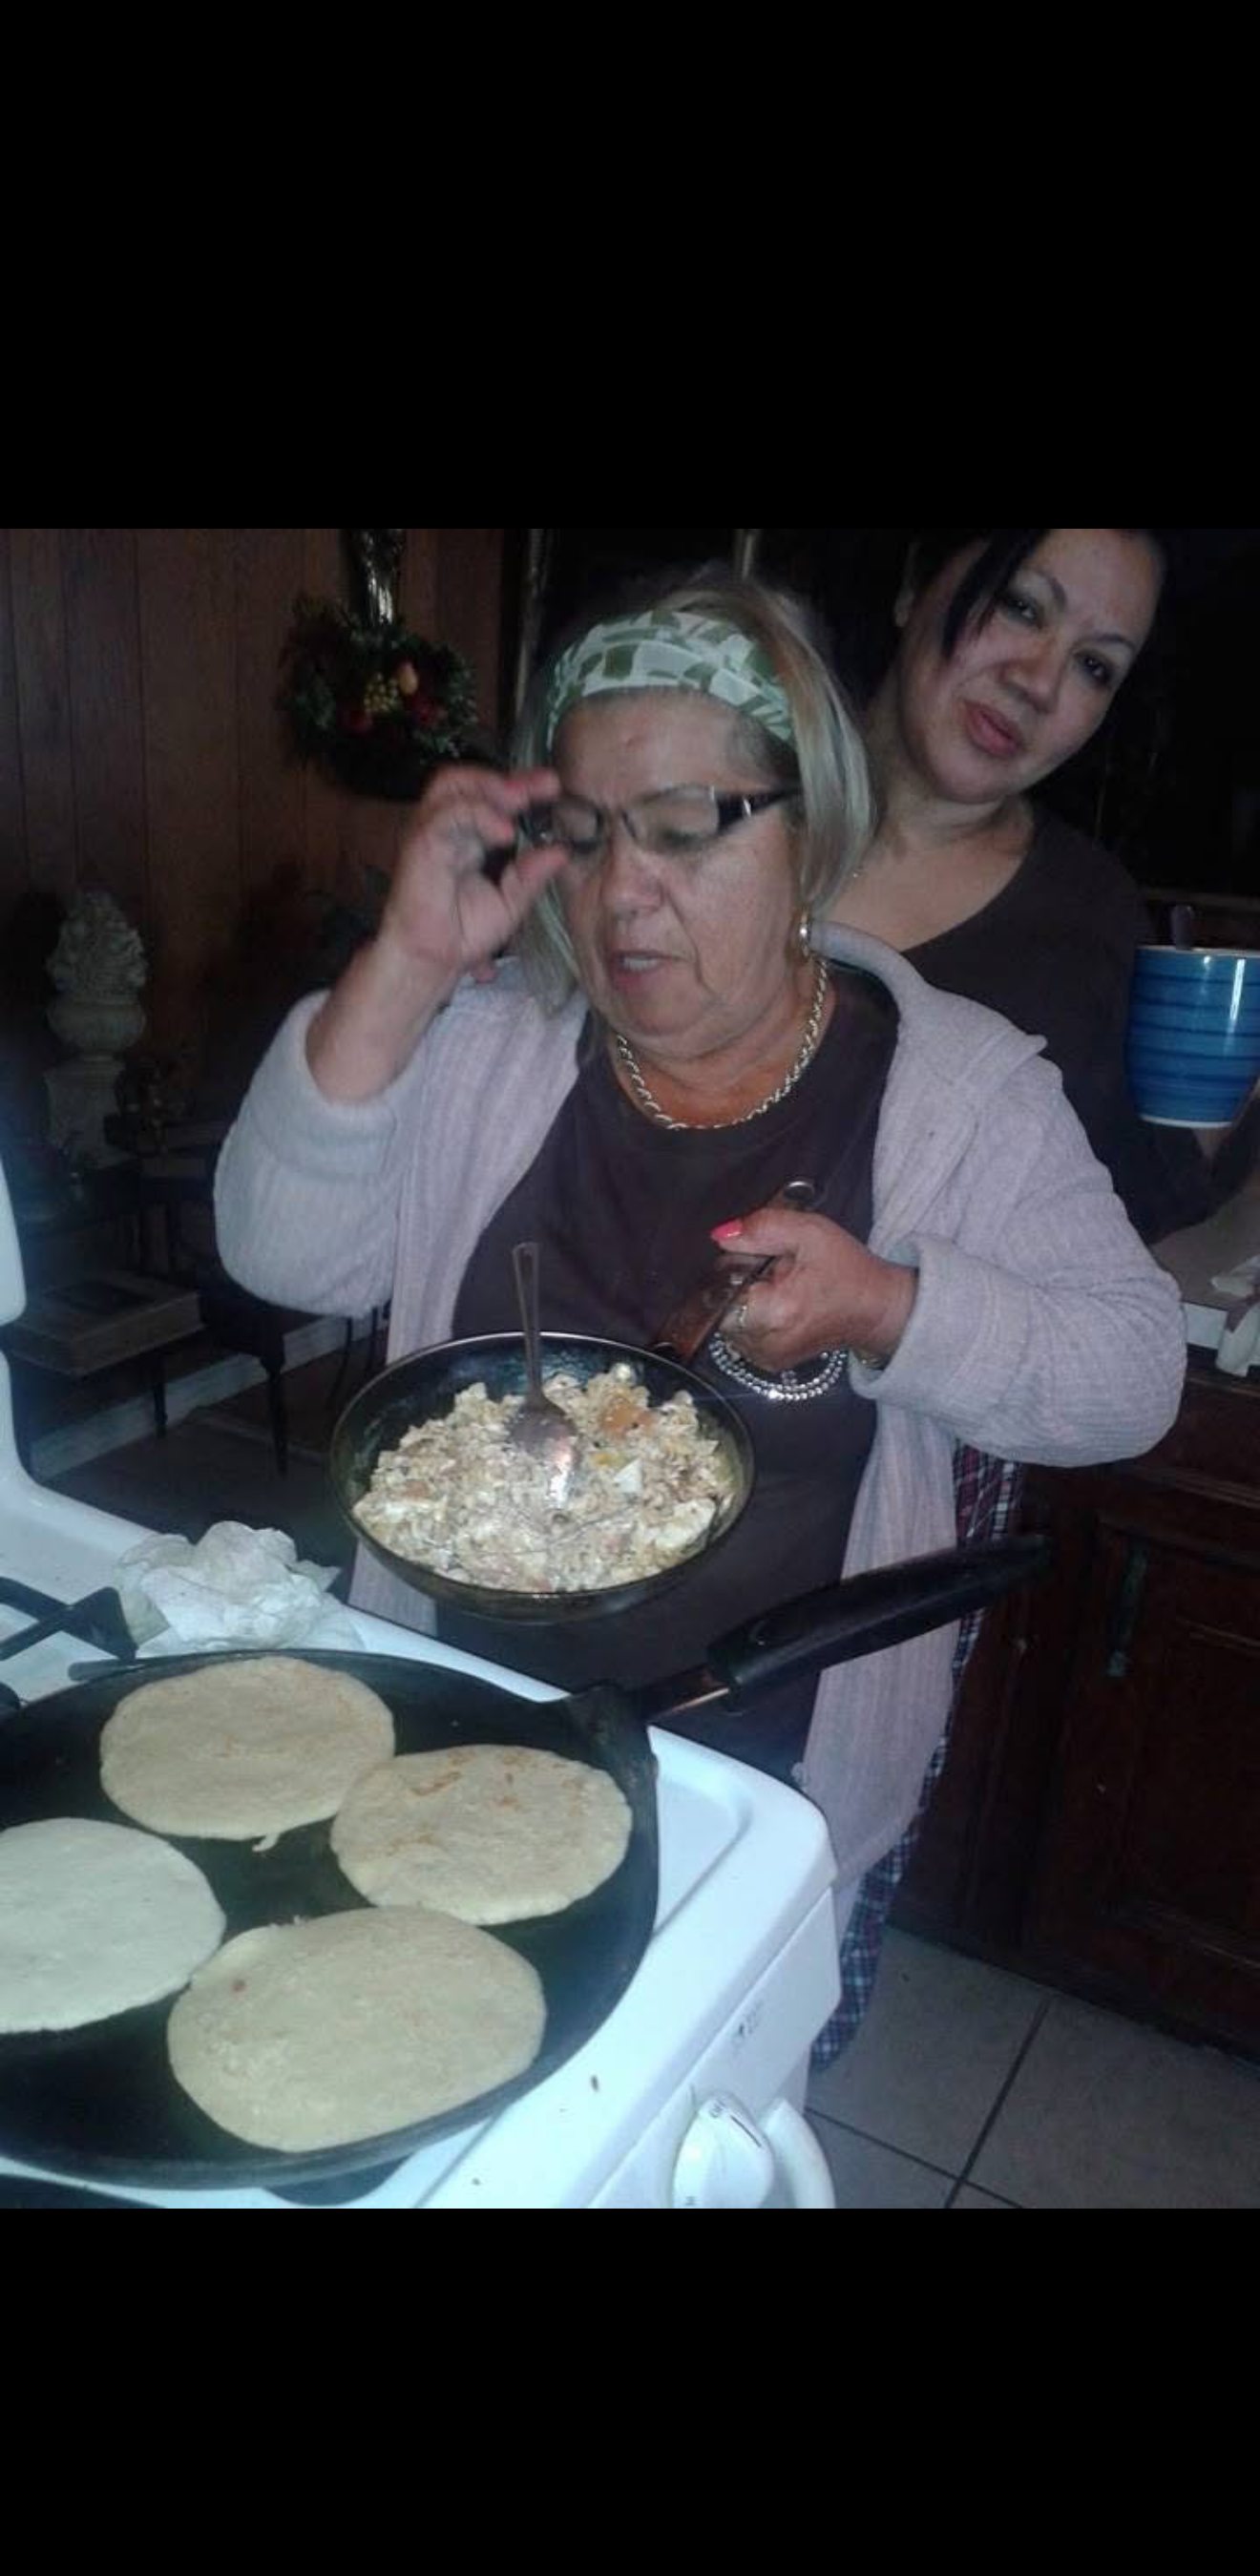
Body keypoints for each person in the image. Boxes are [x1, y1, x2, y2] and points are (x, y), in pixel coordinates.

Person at [214, 570, 1186, 2051]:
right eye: (587, 838)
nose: (620, 898)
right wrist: (408, 960)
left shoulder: (960, 1092)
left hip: (750, 1782)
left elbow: (1131, 1377)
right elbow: (279, 1253)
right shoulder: (494, 1047)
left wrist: (893, 1310)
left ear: (814, 837)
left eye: (681, 832)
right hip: (449, 1721)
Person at [836, 526, 1231, 1242]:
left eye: (1094, 666)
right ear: (913, 587)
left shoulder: (1088, 921)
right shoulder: (716, 802)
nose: (1040, 682)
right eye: (1021, 607)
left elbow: (1114, 1227)